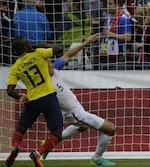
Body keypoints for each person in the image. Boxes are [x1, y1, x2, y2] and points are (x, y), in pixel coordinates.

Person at [41, 33, 116, 166]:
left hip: (77, 110)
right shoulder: (45, 84)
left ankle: (50, 142)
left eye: (51, 61)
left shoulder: (55, 69)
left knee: (82, 128)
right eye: (48, 63)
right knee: (110, 128)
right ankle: (97, 159)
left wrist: (86, 42)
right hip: (75, 114)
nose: (51, 64)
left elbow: (68, 55)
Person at [6, 36, 63, 167]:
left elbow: (9, 90)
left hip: (32, 100)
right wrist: (41, 45)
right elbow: (59, 49)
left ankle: (15, 147)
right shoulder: (39, 53)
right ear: (25, 47)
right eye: (27, 43)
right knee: (57, 132)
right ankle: (38, 153)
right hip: (48, 97)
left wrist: (20, 97)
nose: (30, 44)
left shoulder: (15, 67)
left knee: (20, 129)